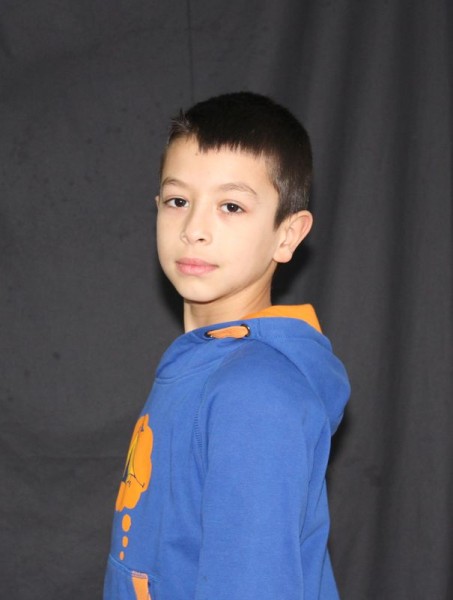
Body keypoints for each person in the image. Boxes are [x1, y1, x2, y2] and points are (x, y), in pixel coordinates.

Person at [103, 92, 350, 600]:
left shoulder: (254, 393)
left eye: (231, 206)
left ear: (288, 234)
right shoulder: (203, 363)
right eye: (178, 201)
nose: (194, 229)